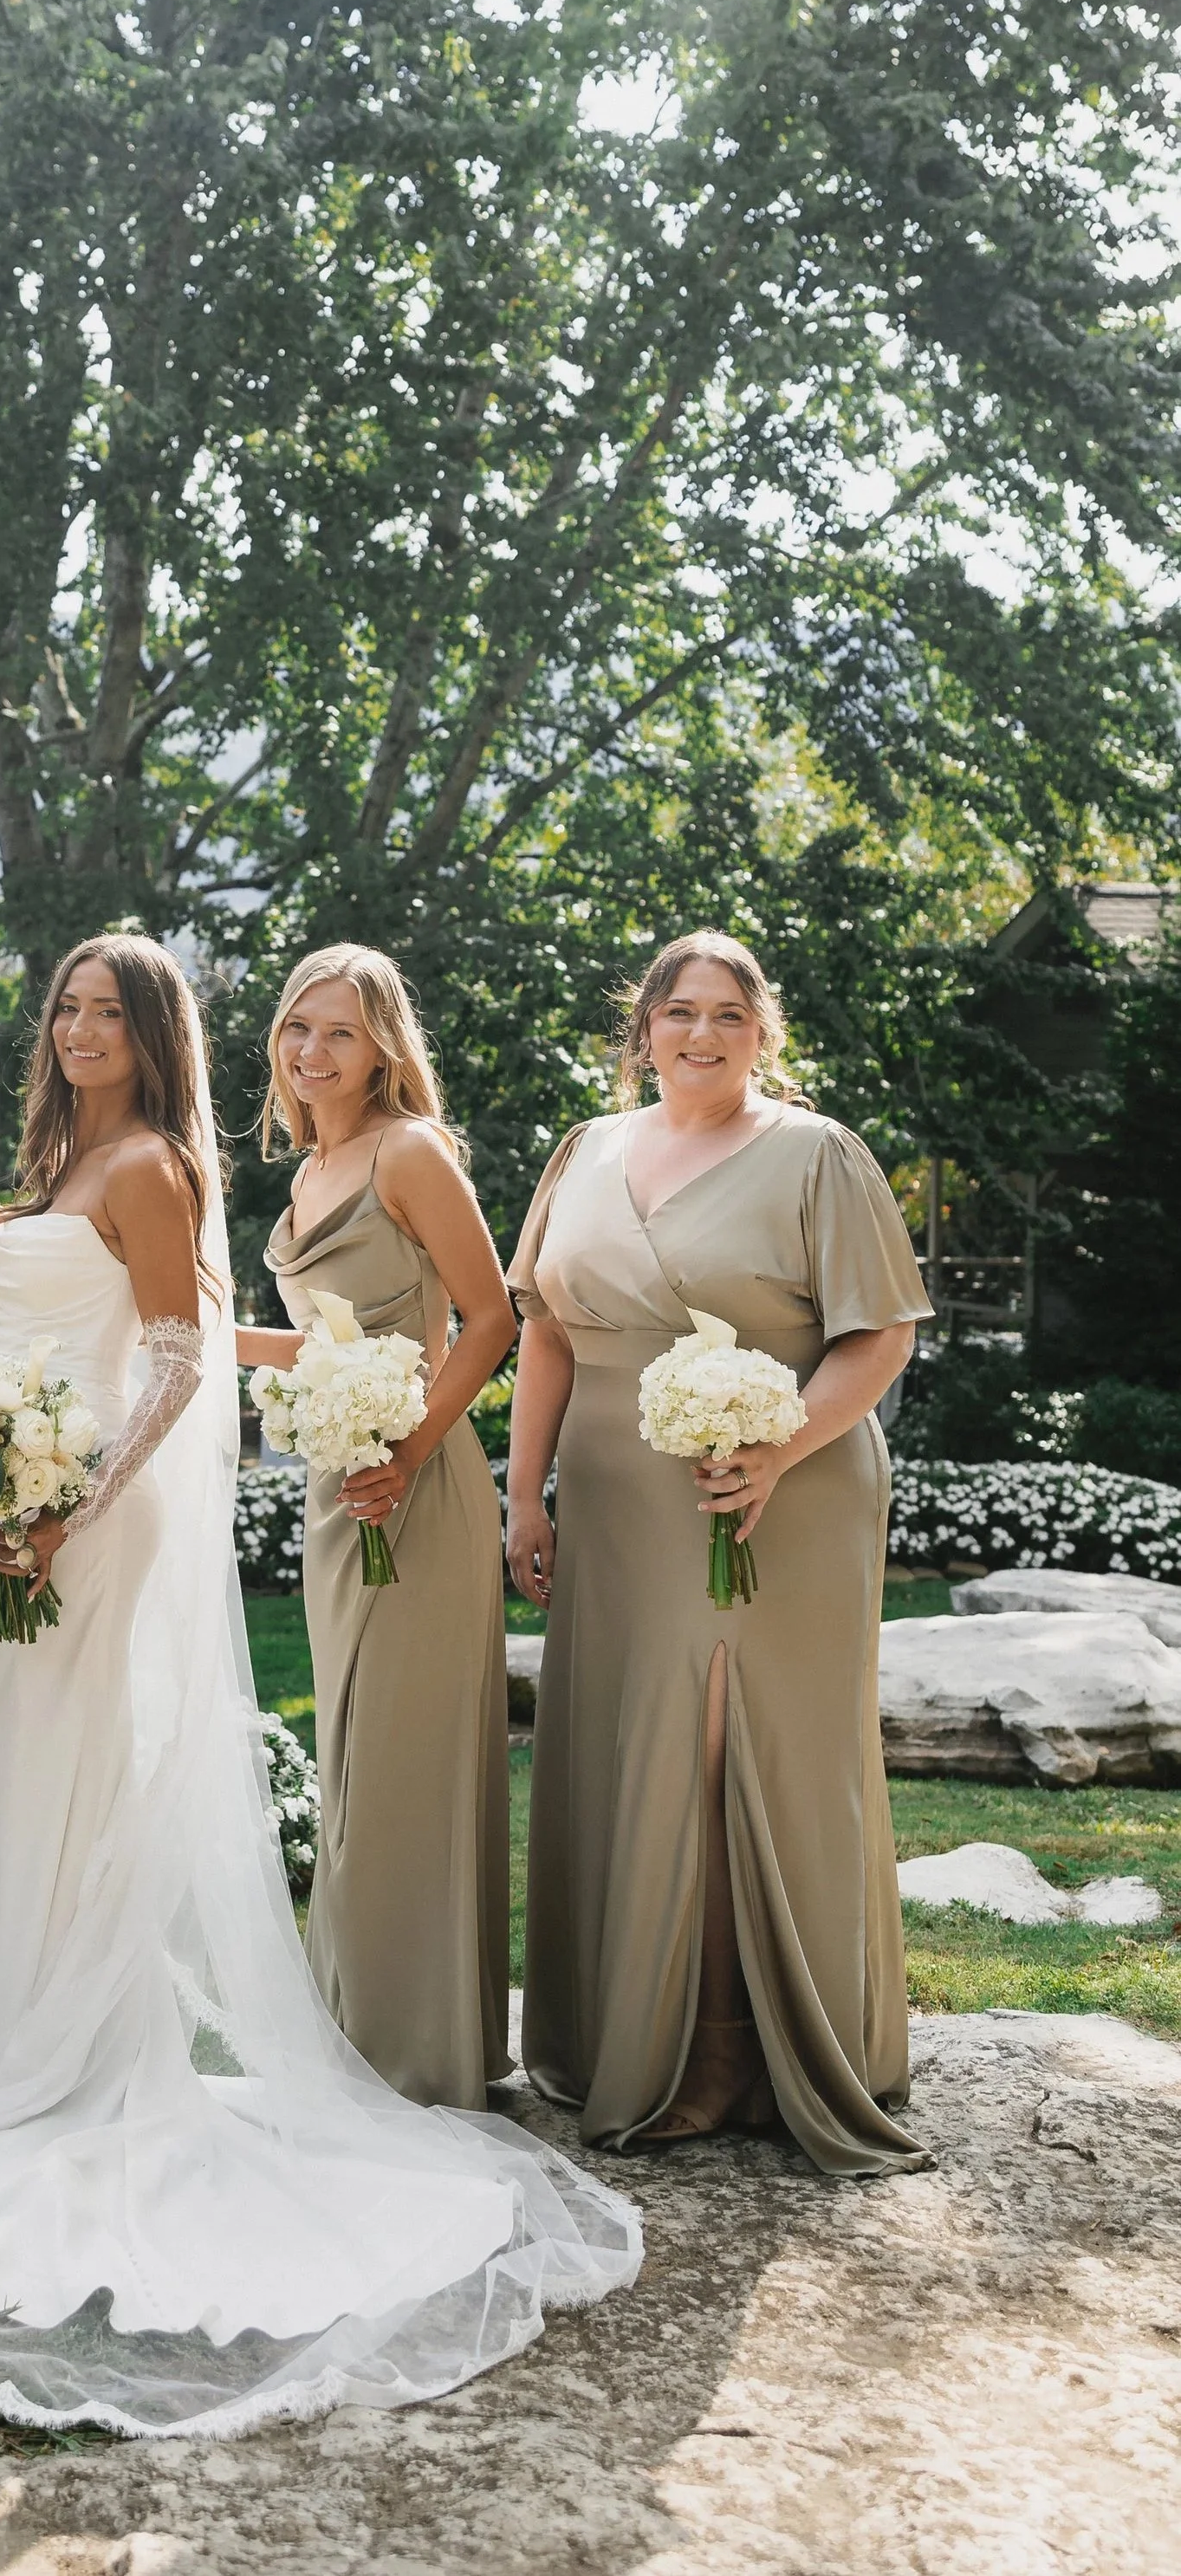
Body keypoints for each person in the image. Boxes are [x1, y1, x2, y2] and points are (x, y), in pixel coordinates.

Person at [0, 934, 639, 2438]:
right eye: (68, 1009)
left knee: (81, 1769)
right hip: (10, 1493)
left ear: (155, 1034)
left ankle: (70, 2061)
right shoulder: (56, 1157)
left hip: (96, 1500)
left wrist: (66, 1505)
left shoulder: (156, 1164)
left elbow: (174, 1362)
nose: (82, 1028)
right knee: (13, 1771)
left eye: (111, 1011)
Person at [504, 929, 931, 2175]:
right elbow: (547, 1336)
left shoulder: (817, 1156)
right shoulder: (584, 1152)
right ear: (641, 1029)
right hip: (615, 1511)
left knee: (729, 1740)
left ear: (764, 1033)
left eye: (729, 1015)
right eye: (679, 1012)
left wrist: (779, 1449)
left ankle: (728, 2057)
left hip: (771, 1496)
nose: (701, 1035)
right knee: (632, 1740)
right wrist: (522, 1494)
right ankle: (625, 2033)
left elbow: (878, 1338)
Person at [242, 944, 516, 2107]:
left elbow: (494, 1320)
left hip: (418, 1481)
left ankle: (419, 2051)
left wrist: (405, 1455)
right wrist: (188, 1338)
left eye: (341, 1033)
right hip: (338, 1484)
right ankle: (355, 2031)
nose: (313, 1052)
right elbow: (322, 1346)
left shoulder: (409, 1154)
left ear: (384, 1047)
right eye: (299, 1029)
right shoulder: (308, 1168)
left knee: (405, 1757)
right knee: (356, 1759)